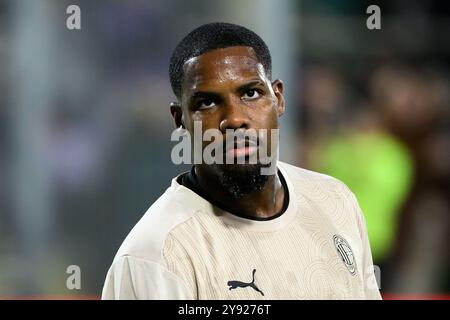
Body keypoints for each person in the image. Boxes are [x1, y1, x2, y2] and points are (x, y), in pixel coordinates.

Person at [101, 22, 381, 300]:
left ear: (278, 99)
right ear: (180, 120)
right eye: (207, 103)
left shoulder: (335, 200)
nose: (234, 119)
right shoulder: (156, 255)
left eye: (250, 93)